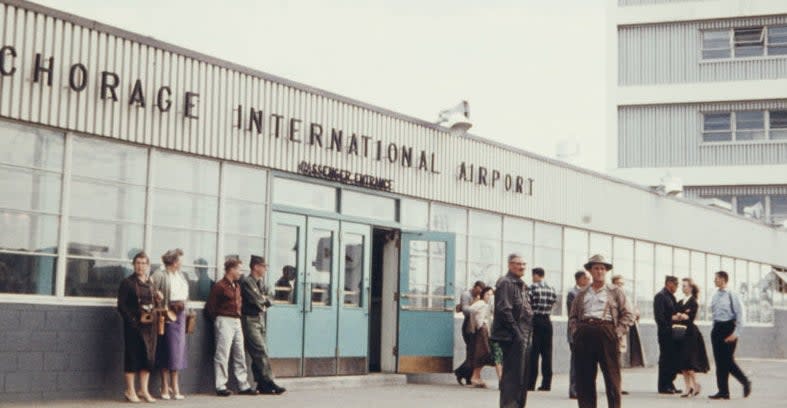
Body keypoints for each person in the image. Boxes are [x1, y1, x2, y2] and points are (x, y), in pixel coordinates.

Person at [568, 254, 634, 408]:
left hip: (607, 331)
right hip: (584, 333)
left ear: (606, 271)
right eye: (596, 268)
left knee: (612, 377)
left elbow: (628, 314)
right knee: (584, 378)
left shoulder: (615, 291)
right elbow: (573, 316)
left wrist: (617, 332)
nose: (599, 271)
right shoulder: (582, 293)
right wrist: (576, 330)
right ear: (590, 271)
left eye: (602, 268)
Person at [205, 258, 258, 397]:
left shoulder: (237, 286)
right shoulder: (219, 286)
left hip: (236, 320)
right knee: (223, 353)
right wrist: (218, 320)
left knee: (239, 352)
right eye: (239, 269)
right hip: (224, 320)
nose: (241, 272)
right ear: (231, 269)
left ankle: (243, 385)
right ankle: (220, 385)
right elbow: (210, 307)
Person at [490, 253, 533, 408]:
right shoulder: (506, 283)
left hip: (525, 333)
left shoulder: (520, 284)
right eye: (518, 264)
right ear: (509, 265)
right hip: (513, 335)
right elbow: (504, 310)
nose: (522, 267)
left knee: (522, 377)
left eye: (524, 264)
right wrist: (517, 333)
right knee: (513, 378)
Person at [240, 255, 286, 395]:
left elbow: (271, 297)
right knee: (260, 350)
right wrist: (264, 300)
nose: (265, 269)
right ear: (256, 267)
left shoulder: (260, 283)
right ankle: (269, 381)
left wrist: (264, 300)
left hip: (260, 319)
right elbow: (257, 301)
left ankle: (261, 383)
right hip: (250, 319)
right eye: (264, 266)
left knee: (259, 352)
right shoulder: (248, 282)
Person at [117, 251, 159, 403]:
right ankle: (130, 390)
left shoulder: (150, 283)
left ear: (148, 266)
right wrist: (132, 321)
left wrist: (158, 298)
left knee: (147, 357)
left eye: (143, 263)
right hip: (134, 326)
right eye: (138, 263)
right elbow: (121, 306)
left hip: (149, 326)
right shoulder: (127, 283)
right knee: (132, 357)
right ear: (133, 265)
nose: (141, 266)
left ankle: (144, 390)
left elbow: (155, 304)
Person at [150, 248, 189, 400]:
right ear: (173, 262)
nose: (181, 263)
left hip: (181, 314)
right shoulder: (160, 274)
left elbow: (185, 295)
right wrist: (157, 296)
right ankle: (165, 386)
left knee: (178, 351)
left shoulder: (181, 276)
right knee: (166, 350)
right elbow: (150, 288)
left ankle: (175, 385)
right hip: (167, 314)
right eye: (179, 260)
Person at [708, 271, 752, 400]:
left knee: (727, 361)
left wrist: (736, 333)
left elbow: (740, 314)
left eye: (716, 278)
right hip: (717, 329)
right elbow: (714, 314)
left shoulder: (732, 294)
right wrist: (714, 329)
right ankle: (723, 391)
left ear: (723, 279)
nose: (714, 280)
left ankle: (745, 381)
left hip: (728, 328)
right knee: (719, 362)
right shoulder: (715, 295)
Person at [675, 278, 709, 398]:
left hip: (690, 334)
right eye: (682, 286)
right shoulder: (680, 302)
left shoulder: (693, 301)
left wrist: (683, 315)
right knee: (683, 363)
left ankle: (696, 384)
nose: (683, 288)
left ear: (690, 288)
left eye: (685, 286)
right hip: (680, 334)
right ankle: (687, 387)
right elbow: (675, 315)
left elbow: (690, 316)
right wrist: (680, 315)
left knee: (689, 362)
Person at [611, 274, 643, 396]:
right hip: (614, 331)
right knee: (613, 359)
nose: (620, 286)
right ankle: (615, 386)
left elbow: (632, 311)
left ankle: (617, 385)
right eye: (618, 283)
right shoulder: (612, 296)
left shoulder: (625, 296)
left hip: (623, 331)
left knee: (618, 359)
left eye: (622, 284)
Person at [527, 267, 557, 392]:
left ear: (535, 275)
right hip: (547, 321)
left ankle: (530, 383)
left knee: (533, 353)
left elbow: (528, 304)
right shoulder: (551, 288)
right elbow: (554, 302)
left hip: (535, 320)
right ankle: (546, 384)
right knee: (547, 353)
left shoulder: (532, 287)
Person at [454, 280, 487, 385]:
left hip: (476, 326)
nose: (480, 292)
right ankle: (461, 372)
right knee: (472, 351)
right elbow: (465, 310)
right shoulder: (466, 295)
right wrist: (476, 306)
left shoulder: (479, 297)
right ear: (475, 287)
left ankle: (467, 376)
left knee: (474, 353)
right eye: (479, 289)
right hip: (469, 326)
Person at [654, 275, 683, 395]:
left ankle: (670, 383)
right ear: (668, 283)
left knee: (672, 359)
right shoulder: (660, 296)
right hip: (665, 333)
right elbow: (659, 317)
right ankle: (663, 386)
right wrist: (672, 320)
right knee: (665, 359)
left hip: (673, 332)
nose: (677, 286)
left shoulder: (671, 297)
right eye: (675, 284)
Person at [566, 270, 590, 399]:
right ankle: (574, 389)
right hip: (576, 332)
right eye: (586, 278)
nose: (589, 280)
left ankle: (584, 389)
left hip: (588, 332)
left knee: (586, 362)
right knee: (576, 362)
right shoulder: (572, 293)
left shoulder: (589, 292)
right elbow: (574, 314)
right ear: (579, 279)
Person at [467, 286, 496, 387]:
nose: (489, 296)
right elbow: (470, 309)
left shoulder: (487, 305)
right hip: (482, 330)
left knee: (482, 354)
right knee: (482, 353)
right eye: (487, 294)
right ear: (483, 294)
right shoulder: (481, 304)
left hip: (485, 330)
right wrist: (478, 323)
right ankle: (475, 377)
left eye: (491, 294)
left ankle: (477, 376)